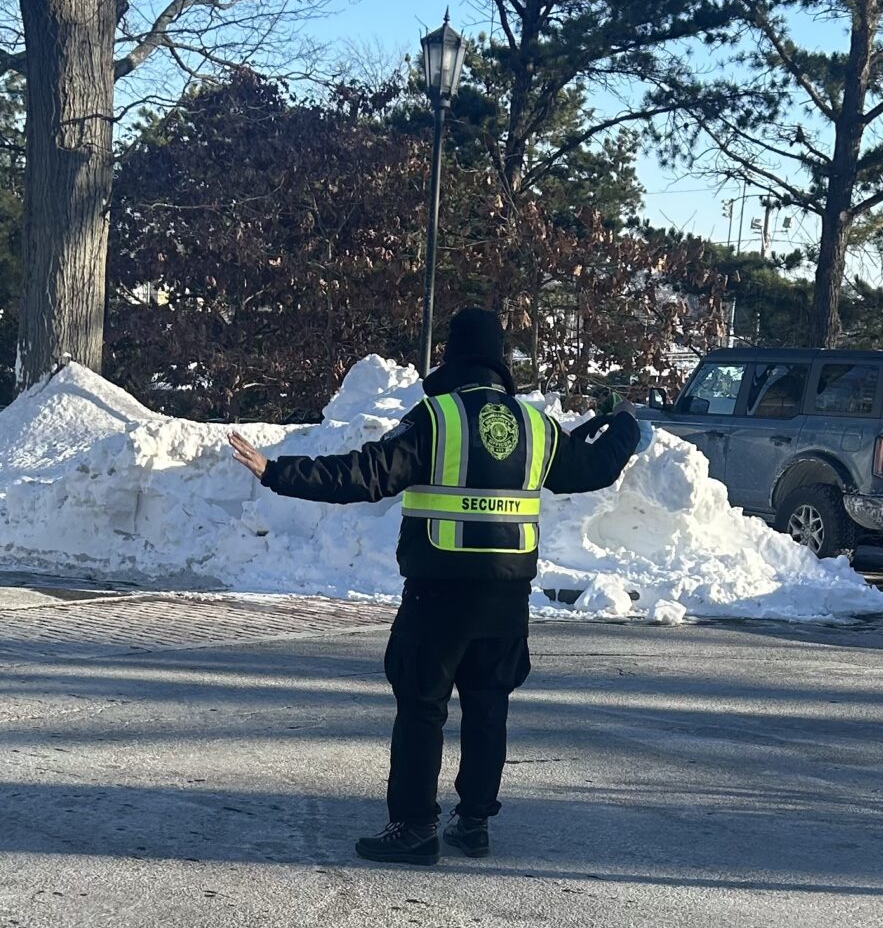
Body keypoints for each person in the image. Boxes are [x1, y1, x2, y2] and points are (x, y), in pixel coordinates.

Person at [228, 307, 641, 865]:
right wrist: (626, 426)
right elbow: (594, 468)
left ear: (453, 355)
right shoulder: (535, 426)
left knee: (423, 707)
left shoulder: (436, 418)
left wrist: (277, 471)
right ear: (499, 359)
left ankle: (416, 828)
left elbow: (364, 474)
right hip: (507, 597)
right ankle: (473, 823)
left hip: (439, 592)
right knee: (488, 707)